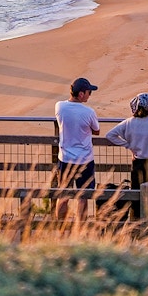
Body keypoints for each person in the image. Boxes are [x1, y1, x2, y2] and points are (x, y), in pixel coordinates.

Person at [55, 76, 100, 221]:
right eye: (88, 92)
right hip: (85, 159)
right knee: (83, 196)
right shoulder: (89, 112)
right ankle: (80, 230)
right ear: (81, 94)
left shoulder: (59, 106)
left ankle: (61, 228)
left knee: (63, 195)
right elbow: (96, 130)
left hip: (65, 158)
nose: (89, 95)